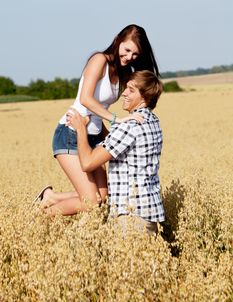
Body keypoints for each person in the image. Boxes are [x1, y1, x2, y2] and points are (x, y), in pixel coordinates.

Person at [34, 25, 160, 214]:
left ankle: (51, 197)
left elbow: (133, 93)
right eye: (127, 50)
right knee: (90, 201)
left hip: (93, 137)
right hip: (71, 132)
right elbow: (86, 98)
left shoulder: (124, 72)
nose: (129, 57)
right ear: (118, 40)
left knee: (103, 199)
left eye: (135, 55)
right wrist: (117, 120)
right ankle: (38, 217)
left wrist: (112, 137)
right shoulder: (99, 60)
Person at [41, 70, 165, 235]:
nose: (124, 93)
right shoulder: (153, 121)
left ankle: (40, 216)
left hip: (131, 218)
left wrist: (81, 129)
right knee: (98, 196)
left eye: (131, 90)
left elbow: (87, 163)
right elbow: (120, 144)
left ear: (144, 97)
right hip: (150, 212)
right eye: (126, 88)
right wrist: (99, 124)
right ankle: (52, 198)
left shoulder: (130, 126)